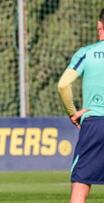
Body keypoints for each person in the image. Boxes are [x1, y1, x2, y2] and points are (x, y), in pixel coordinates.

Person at [57, 8, 104, 203]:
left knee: (80, 185)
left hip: (95, 124)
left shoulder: (87, 53)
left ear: (100, 26)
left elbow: (63, 84)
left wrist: (73, 112)